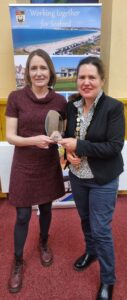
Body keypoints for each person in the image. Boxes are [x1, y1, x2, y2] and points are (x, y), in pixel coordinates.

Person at [60, 56, 125, 300]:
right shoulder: (72, 105)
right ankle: (91, 252)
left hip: (102, 180)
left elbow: (113, 147)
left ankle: (108, 280)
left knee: (101, 230)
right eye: (82, 77)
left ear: (101, 80)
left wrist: (80, 145)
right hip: (77, 177)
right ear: (77, 80)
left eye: (91, 77)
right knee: (86, 222)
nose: (86, 82)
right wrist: (68, 151)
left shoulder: (113, 108)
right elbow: (67, 137)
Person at [6, 49, 67, 293]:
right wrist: (34, 140)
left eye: (43, 68)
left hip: (47, 164)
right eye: (34, 68)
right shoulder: (16, 97)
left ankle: (43, 243)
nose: (39, 73)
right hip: (23, 164)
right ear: (28, 73)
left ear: (50, 71)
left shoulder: (60, 101)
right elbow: (10, 136)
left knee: (46, 208)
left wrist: (56, 138)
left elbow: (61, 131)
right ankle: (18, 260)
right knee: (22, 216)